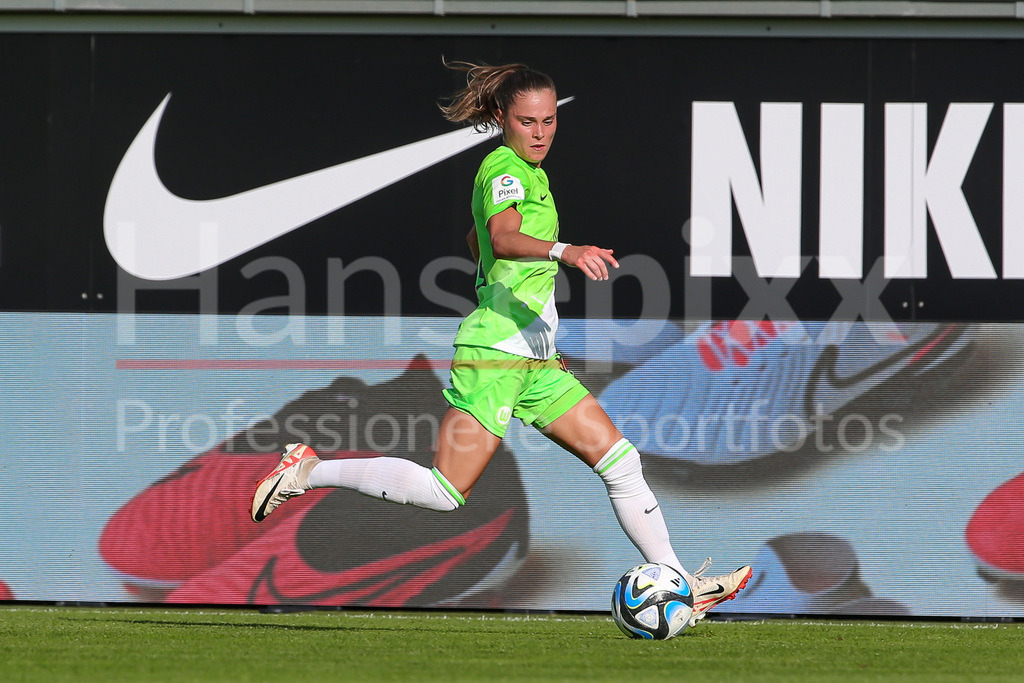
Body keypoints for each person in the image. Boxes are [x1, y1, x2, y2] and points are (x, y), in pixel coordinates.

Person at [250, 61, 751, 625]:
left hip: (535, 363)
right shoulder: (503, 167)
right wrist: (563, 252)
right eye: (526, 121)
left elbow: (478, 239)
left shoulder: (531, 175)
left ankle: (681, 585)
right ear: (500, 119)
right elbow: (502, 236)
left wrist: (524, 316)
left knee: (622, 462)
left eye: (548, 120)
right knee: (445, 492)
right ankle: (307, 470)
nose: (539, 132)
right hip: (494, 357)